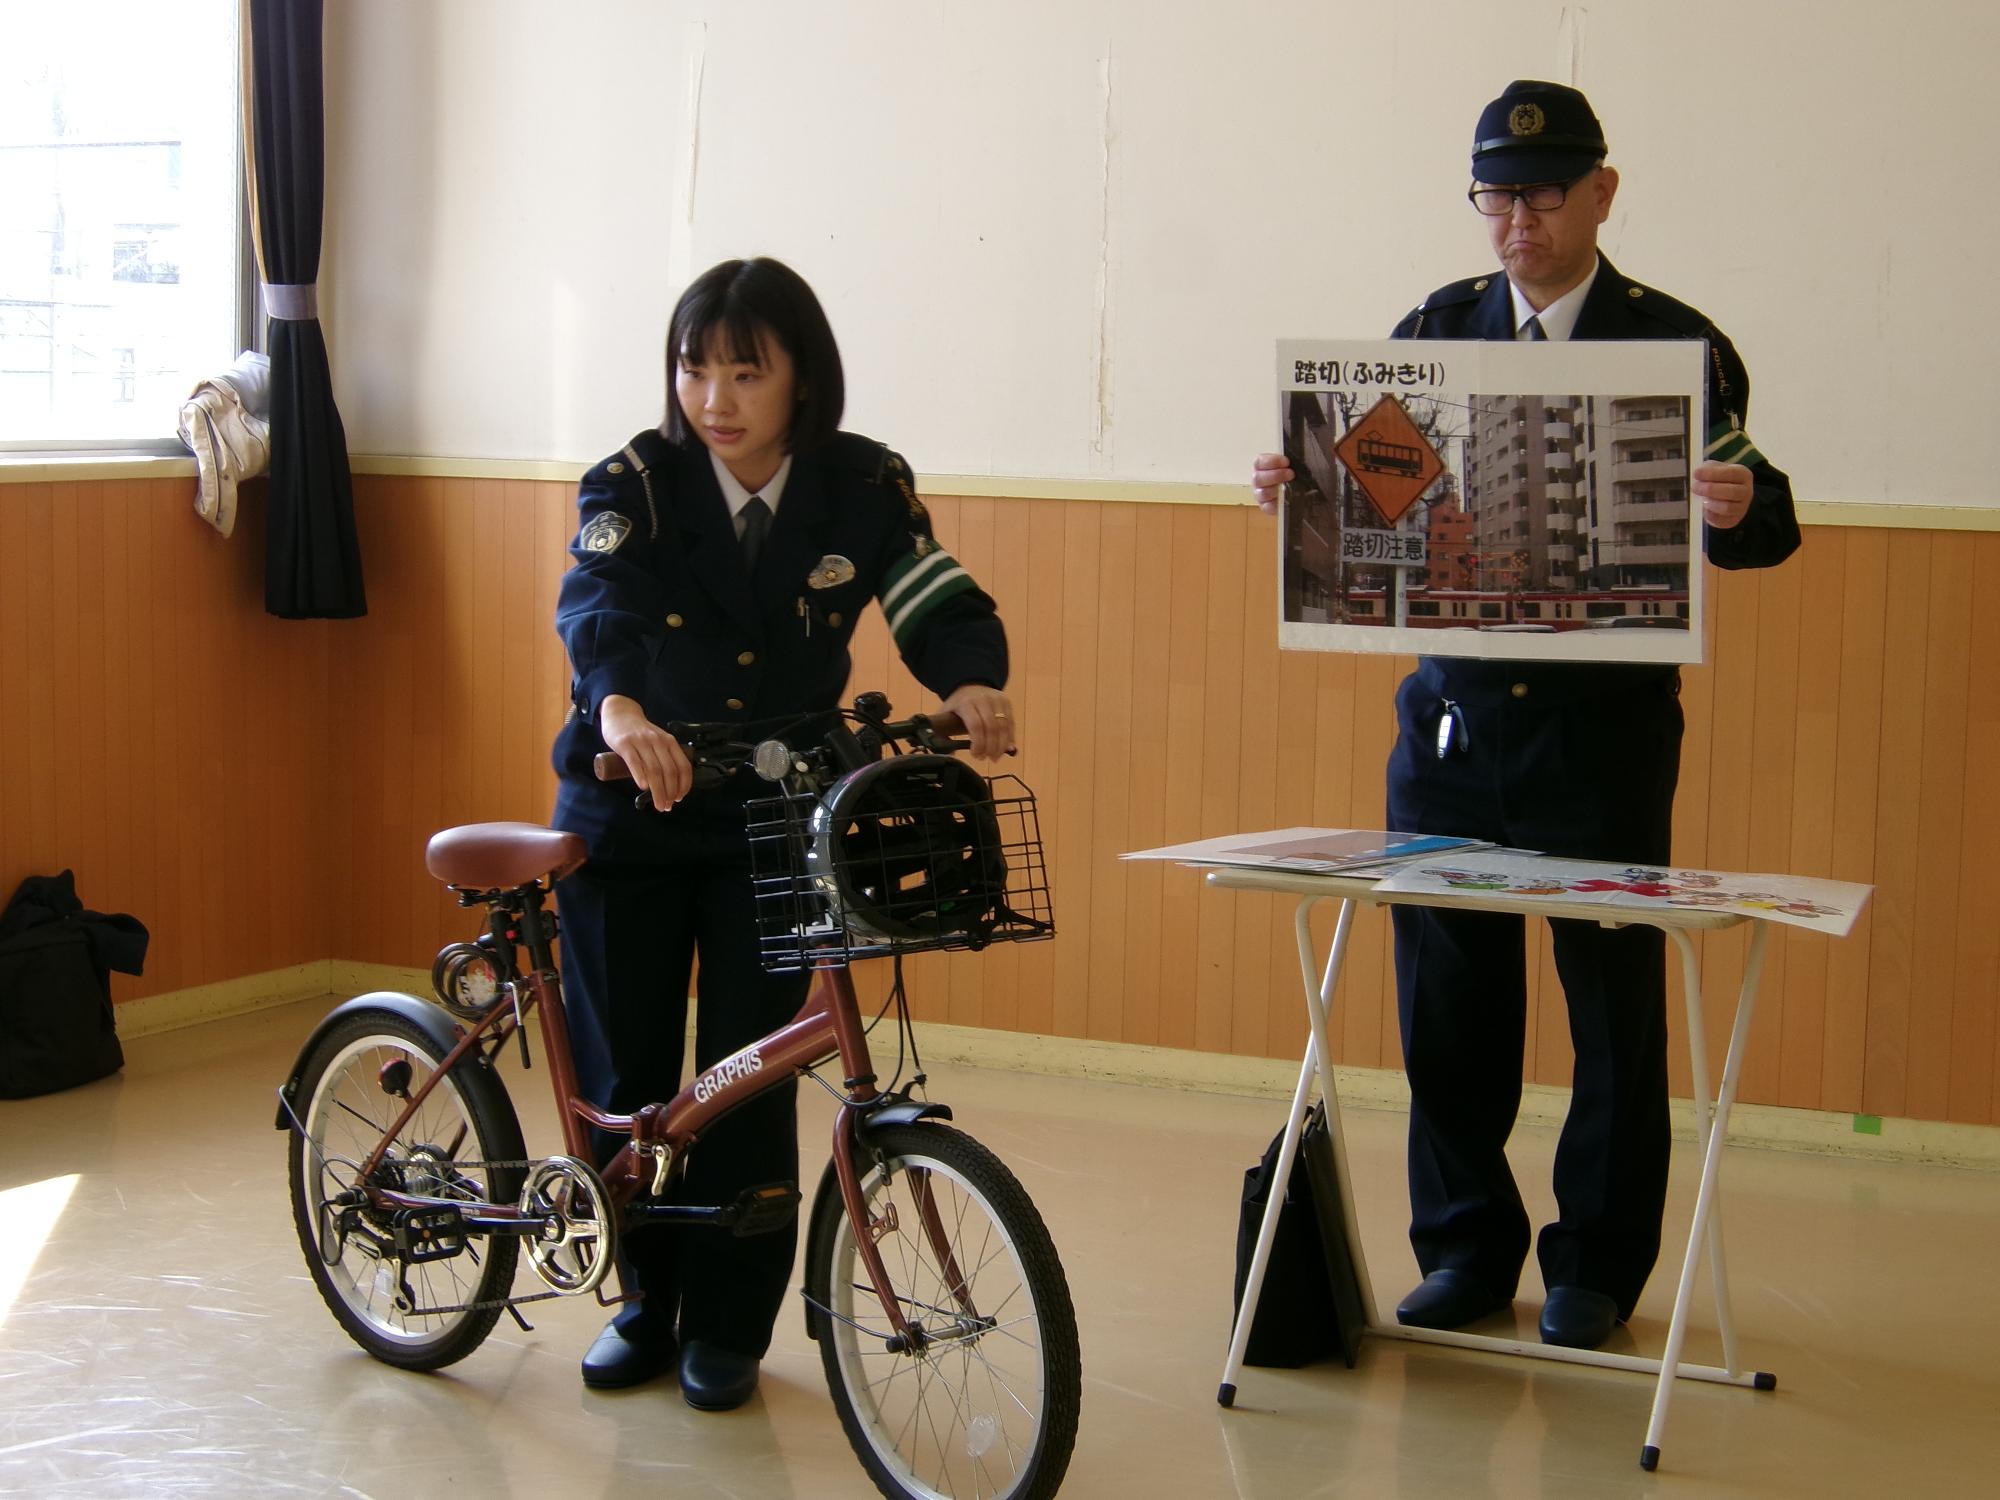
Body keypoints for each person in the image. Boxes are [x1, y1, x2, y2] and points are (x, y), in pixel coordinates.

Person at [1251, 80, 1800, 1350]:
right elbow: (1374, 514)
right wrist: (1300, 488)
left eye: (1543, 195)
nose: (1516, 224)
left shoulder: (1677, 345)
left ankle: (1594, 1268)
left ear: (1601, 194)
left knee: (1610, 1004)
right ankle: (1463, 1249)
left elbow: (1760, 514)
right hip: (1446, 731)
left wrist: (1738, 504)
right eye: (1494, 196)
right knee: (1447, 999)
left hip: (1600, 737)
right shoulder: (1431, 334)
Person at [552, 257, 1014, 1406]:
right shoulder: (638, 482)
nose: (713, 394)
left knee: (749, 1075)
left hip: (774, 815)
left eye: (744, 370)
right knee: (634, 1073)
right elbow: (594, 608)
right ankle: (642, 1302)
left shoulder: (861, 484)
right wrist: (617, 708)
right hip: (632, 811)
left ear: (801, 379)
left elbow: (928, 591)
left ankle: (727, 1326)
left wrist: (972, 685)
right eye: (693, 365)